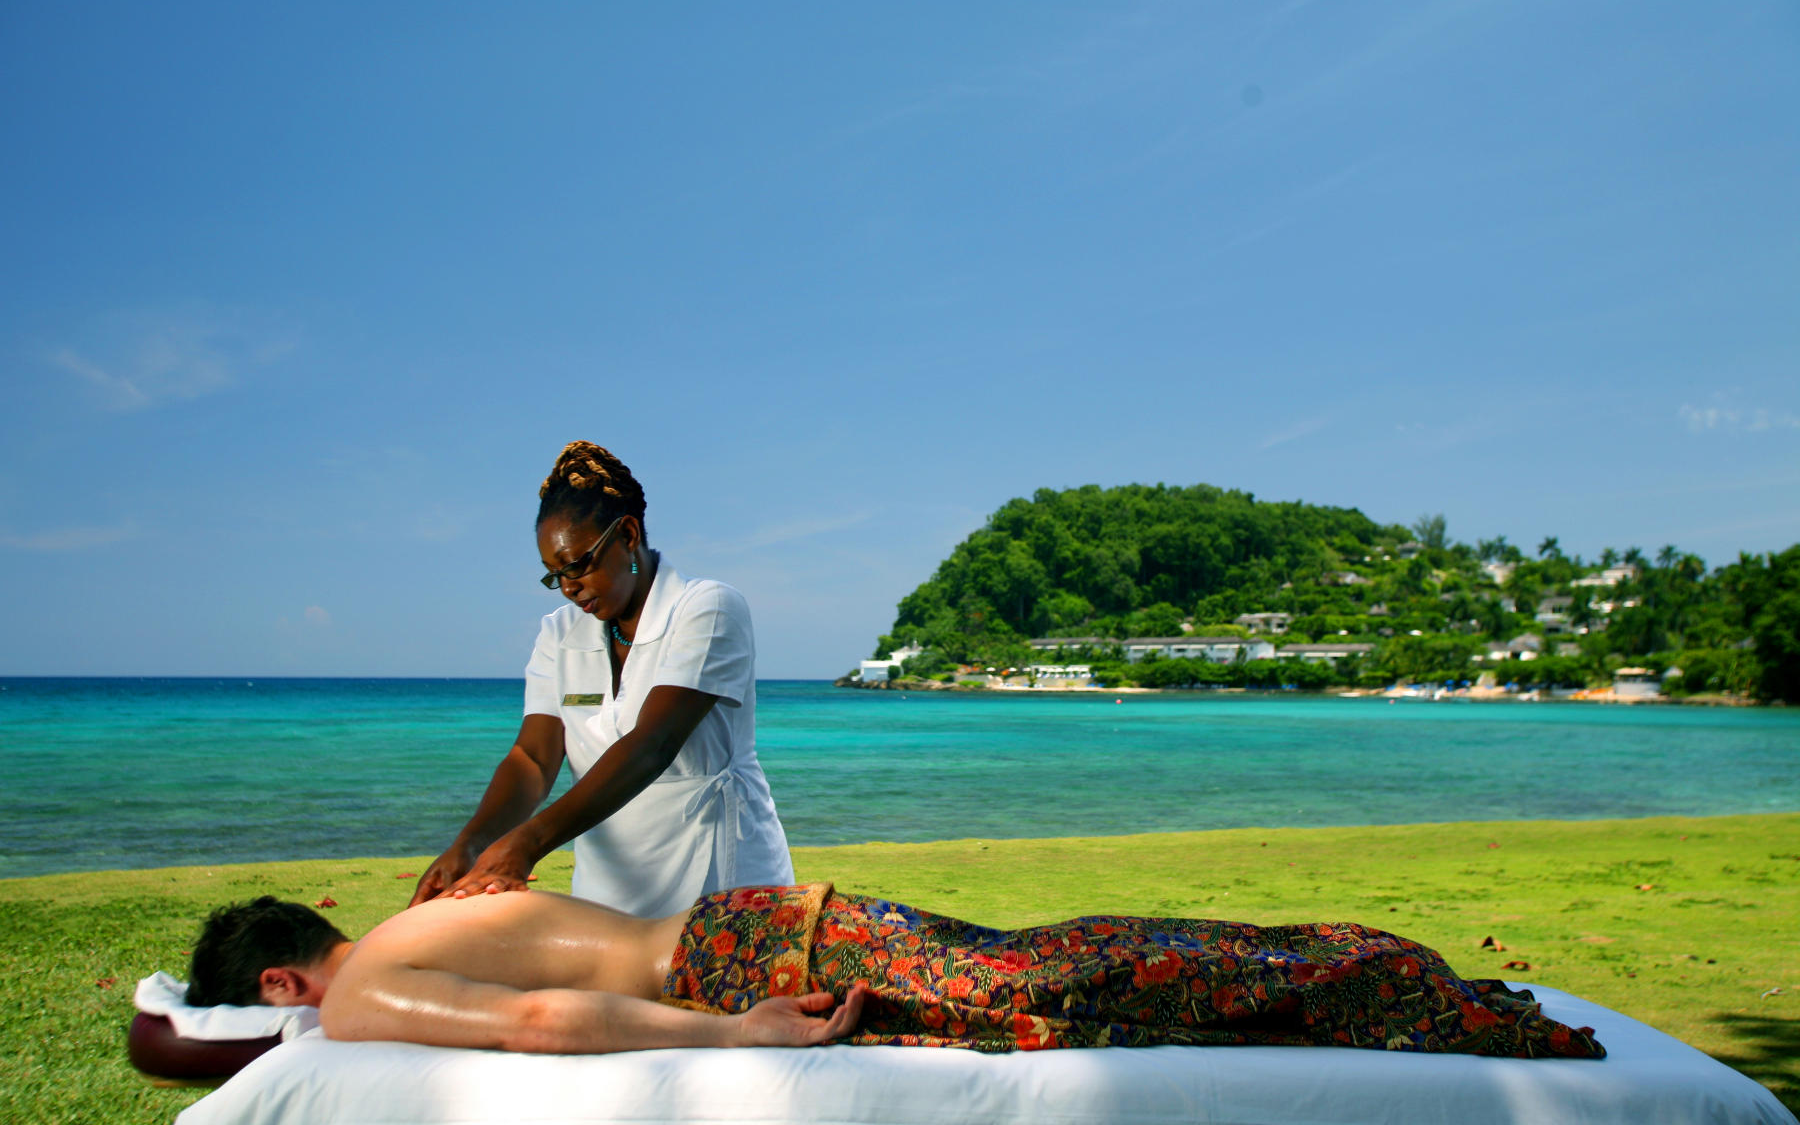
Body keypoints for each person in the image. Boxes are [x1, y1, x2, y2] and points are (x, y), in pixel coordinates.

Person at [185, 885, 1604, 1059]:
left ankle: (1373, 977)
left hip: (741, 955)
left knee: (1066, 982)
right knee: (1058, 967)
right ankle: (1354, 969)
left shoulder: (364, 988)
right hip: (749, 915)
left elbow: (551, 1015)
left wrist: (743, 1039)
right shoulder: (431, 912)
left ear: (283, 989)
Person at [409, 441, 793, 917]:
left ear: (628, 535)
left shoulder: (706, 608)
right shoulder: (559, 633)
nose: (570, 587)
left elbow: (653, 743)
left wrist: (528, 842)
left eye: (579, 564)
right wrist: (471, 844)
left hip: (718, 878)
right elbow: (533, 757)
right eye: (555, 575)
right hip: (607, 889)